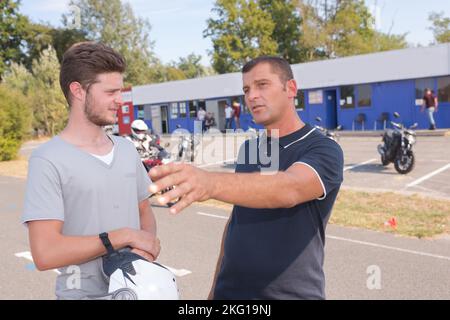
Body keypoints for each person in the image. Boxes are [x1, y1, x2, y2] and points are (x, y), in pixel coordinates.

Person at [148, 56, 344, 299]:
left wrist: (210, 183)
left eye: (262, 85)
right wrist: (214, 290)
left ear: (290, 89)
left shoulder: (323, 148)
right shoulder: (250, 149)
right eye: (246, 89)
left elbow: (288, 189)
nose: (251, 96)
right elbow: (236, 222)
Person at [21, 42, 160, 299]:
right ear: (78, 91)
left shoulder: (127, 150)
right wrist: (120, 237)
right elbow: (45, 253)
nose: (120, 100)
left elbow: (145, 215)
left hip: (136, 293)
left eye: (120, 91)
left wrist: (144, 252)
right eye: (110, 92)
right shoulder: (47, 159)